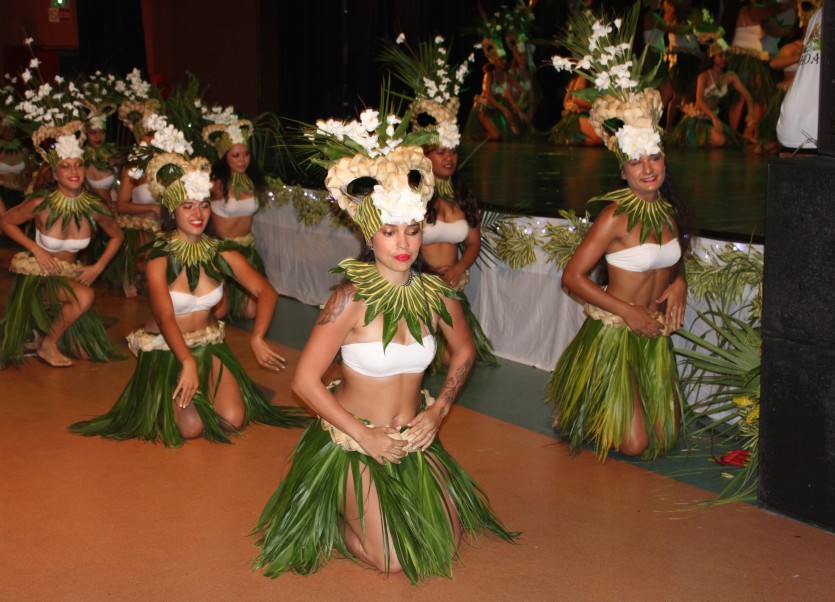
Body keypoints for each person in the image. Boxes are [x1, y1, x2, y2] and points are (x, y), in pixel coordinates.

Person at [252, 108, 516, 583]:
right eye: (389, 232)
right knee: (393, 559)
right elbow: (305, 382)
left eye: (412, 230)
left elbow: (465, 351)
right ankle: (333, 515)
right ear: (368, 234)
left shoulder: (437, 293)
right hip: (356, 441)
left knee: (444, 540)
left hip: (413, 437)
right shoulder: (348, 299)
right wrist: (365, 436)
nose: (403, 244)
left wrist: (438, 412)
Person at [68, 151, 306, 446]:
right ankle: (158, 398)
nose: (198, 214)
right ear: (173, 211)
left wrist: (257, 337)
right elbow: (165, 316)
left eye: (204, 205)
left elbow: (265, 291)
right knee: (190, 429)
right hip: (169, 349)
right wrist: (186, 361)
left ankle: (204, 388)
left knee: (232, 420)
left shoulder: (220, 252)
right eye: (188, 206)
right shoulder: (159, 259)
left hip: (208, 343)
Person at [544, 11, 692, 461]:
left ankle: (609, 401)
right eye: (636, 161)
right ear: (623, 169)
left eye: (654, 158)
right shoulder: (614, 217)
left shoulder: (668, 212)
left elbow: (672, 264)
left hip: (653, 337)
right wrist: (628, 312)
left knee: (668, 434)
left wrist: (680, 283)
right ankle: (589, 396)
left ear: (663, 161)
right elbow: (572, 277)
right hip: (616, 331)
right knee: (636, 444)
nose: (648, 168)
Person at [0, 120, 125, 368]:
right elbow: (6, 222)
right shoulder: (41, 205)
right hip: (40, 278)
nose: (74, 171)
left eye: (78, 164)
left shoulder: (94, 207)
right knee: (85, 296)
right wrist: (36, 250)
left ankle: (42, 335)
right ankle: (48, 344)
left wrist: (98, 267)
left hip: (69, 277)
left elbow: (117, 236)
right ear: (55, 174)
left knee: (86, 351)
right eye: (65, 166)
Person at [203, 115, 268, 320]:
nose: (242, 160)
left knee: (251, 313)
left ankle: (232, 294)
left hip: (246, 250)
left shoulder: (251, 180)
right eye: (236, 155)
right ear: (225, 157)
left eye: (246, 154)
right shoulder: (215, 184)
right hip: (222, 251)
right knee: (219, 312)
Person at [668, 43, 754, 147]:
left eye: (726, 55)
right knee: (720, 140)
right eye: (720, 55)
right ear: (713, 57)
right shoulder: (704, 76)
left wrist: (751, 112)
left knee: (730, 141)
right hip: (699, 119)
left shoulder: (730, 76)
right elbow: (699, 100)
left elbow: (747, 94)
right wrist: (714, 118)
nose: (724, 59)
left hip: (712, 118)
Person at [776, 5, 822, 151]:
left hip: (789, 126)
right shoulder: (790, 47)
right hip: (813, 128)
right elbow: (774, 63)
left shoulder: (817, 16)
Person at [549, 75, 604, 145]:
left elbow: (572, 100)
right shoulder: (583, 75)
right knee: (598, 138)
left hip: (594, 115)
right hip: (585, 116)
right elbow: (575, 99)